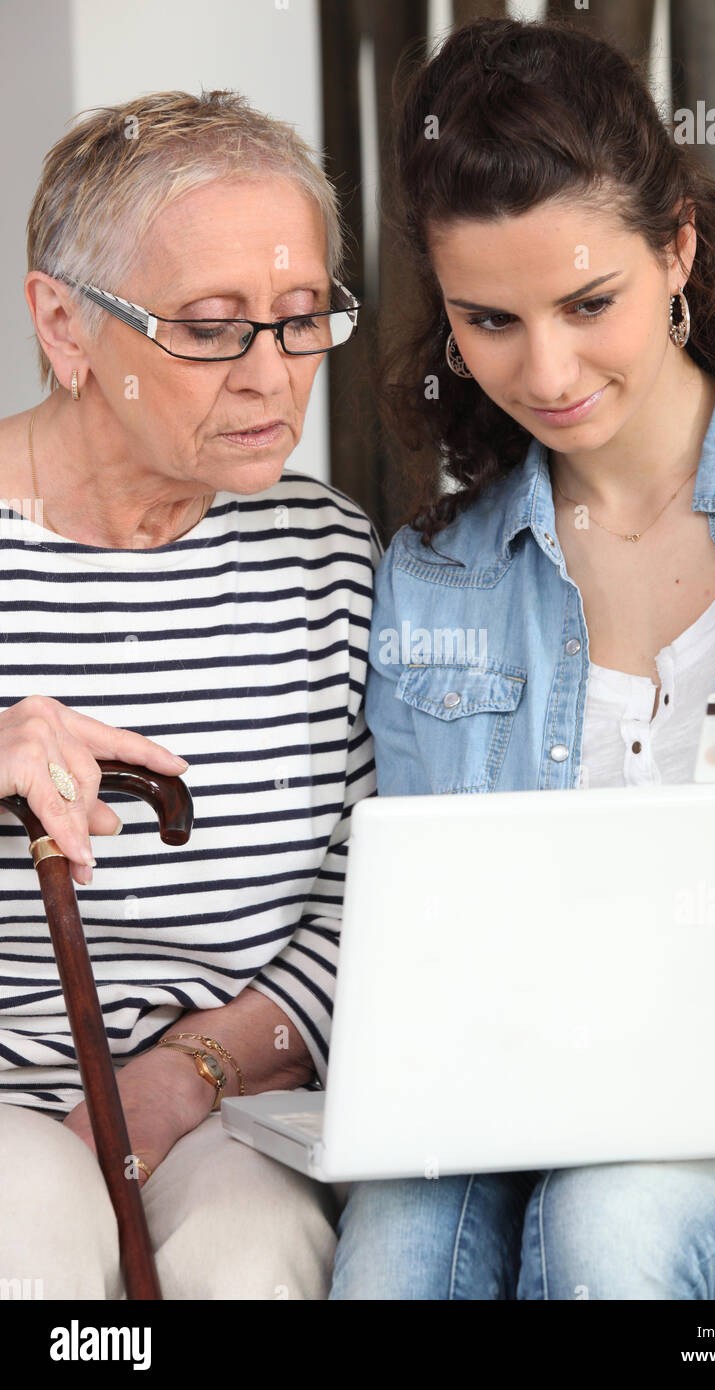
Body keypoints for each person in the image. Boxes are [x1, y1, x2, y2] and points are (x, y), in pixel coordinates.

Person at [329, 16, 715, 1300]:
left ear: (675, 246)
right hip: (525, 1109)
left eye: (588, 305)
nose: (547, 369)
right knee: (400, 1236)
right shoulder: (436, 575)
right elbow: (440, 950)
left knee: (613, 1217)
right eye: (490, 320)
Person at [0, 88, 378, 1299]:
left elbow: (367, 893)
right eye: (212, 330)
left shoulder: (327, 559)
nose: (273, 377)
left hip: (222, 1095)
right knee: (34, 1228)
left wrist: (192, 1072)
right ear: (64, 326)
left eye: (301, 319)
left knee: (257, 1254)